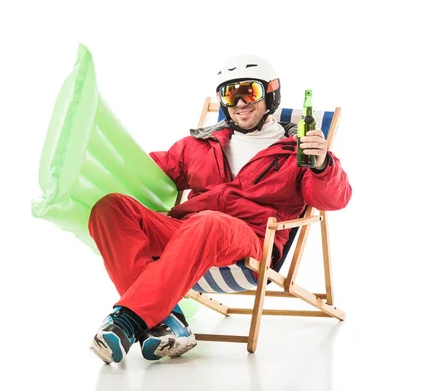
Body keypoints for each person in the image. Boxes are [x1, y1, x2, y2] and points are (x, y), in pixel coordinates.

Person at [87, 54, 352, 364]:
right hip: (190, 234)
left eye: (249, 92)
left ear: (271, 93)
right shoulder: (201, 144)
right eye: (230, 93)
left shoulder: (297, 149)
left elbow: (335, 199)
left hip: (251, 240)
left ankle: (127, 321)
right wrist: (95, 162)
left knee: (208, 222)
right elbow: (147, 170)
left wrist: (322, 164)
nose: (239, 102)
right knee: (111, 208)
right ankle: (168, 322)